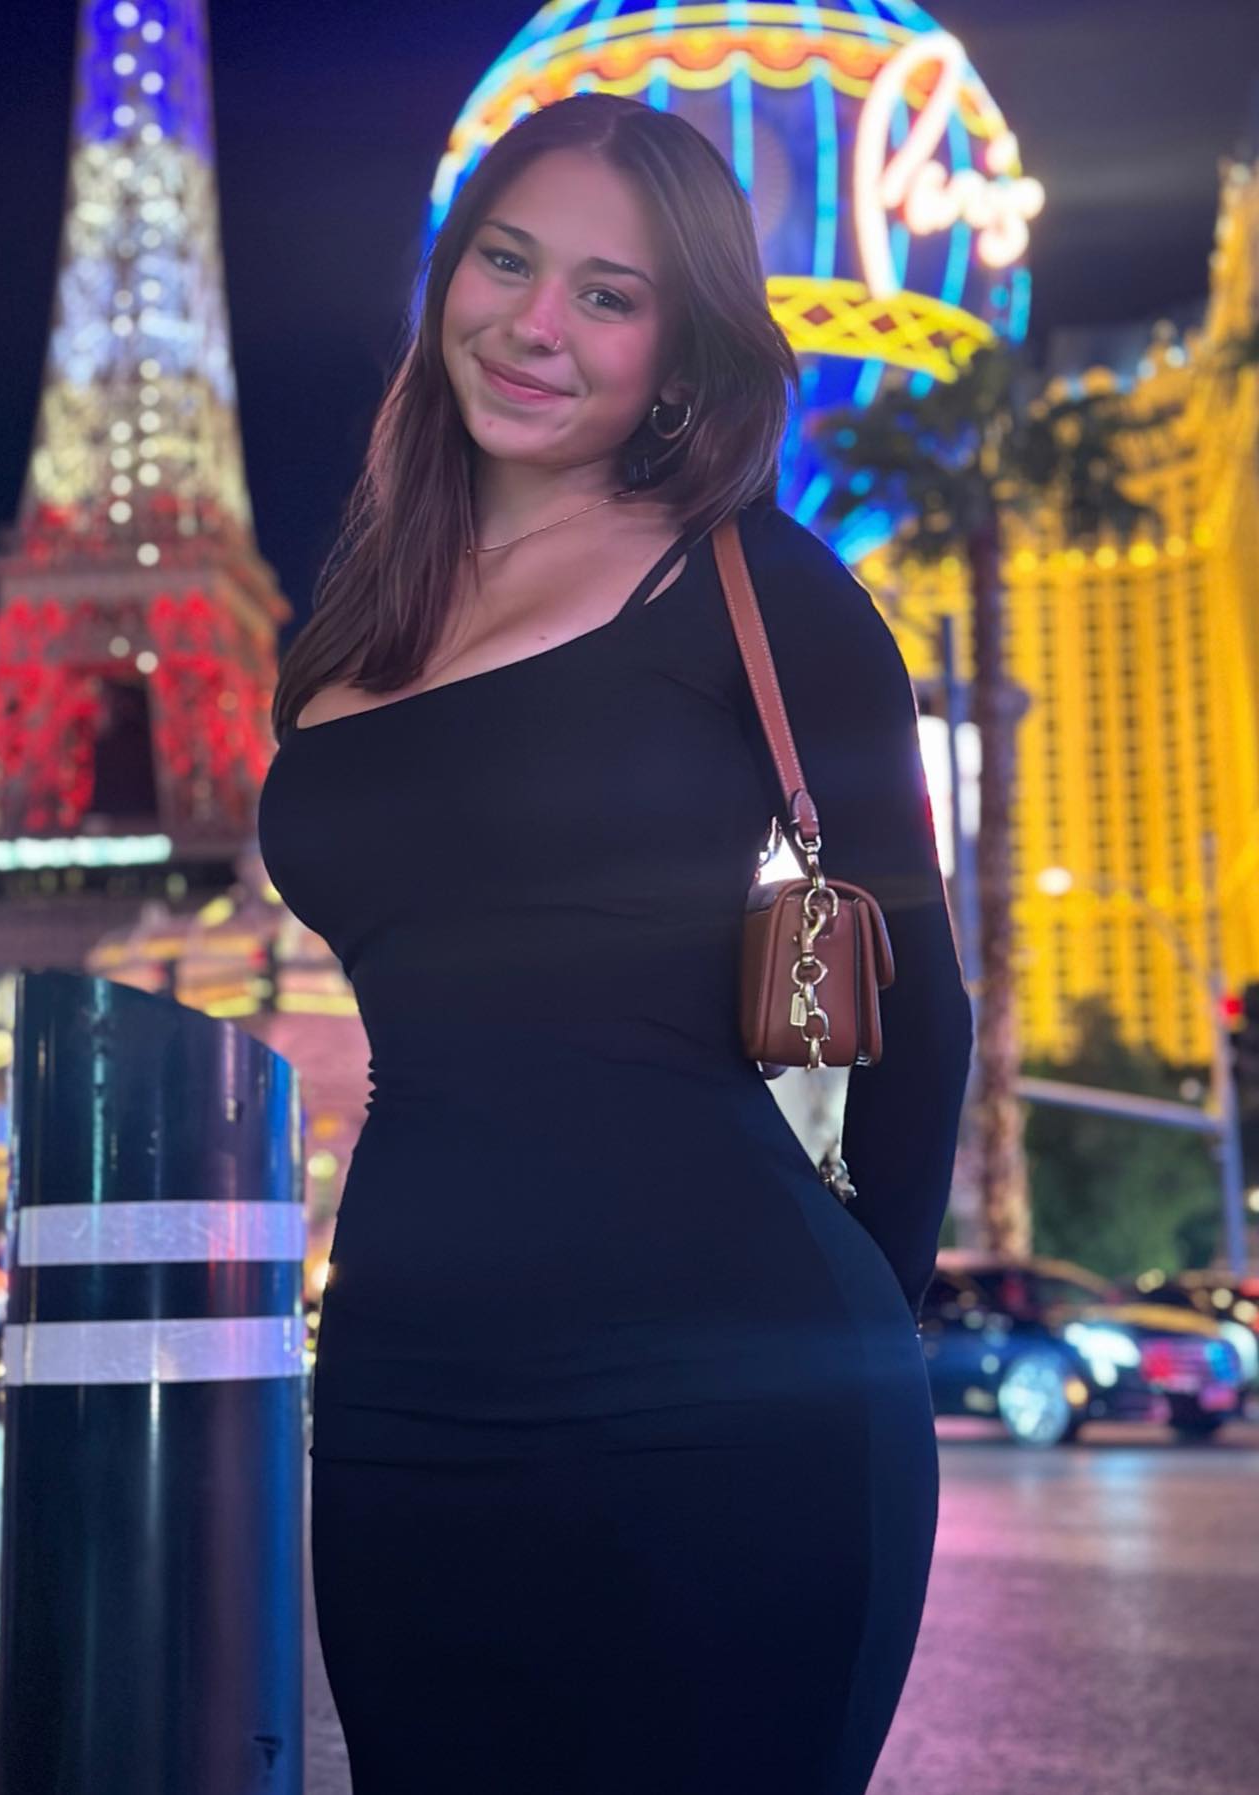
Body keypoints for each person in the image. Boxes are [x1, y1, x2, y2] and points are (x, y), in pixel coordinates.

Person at [259, 91, 974, 1795]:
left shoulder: (759, 585)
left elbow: (927, 1010)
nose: (537, 325)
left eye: (609, 294)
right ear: (450, 275)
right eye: (508, 263)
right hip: (402, 1391)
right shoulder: (355, 622)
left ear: (679, 349)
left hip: (734, 1395)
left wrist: (854, 1334)